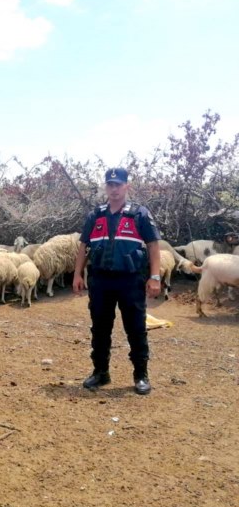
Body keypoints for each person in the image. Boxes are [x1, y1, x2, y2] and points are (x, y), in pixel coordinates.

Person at [73, 167, 161, 395]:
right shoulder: (96, 215)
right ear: (106, 187)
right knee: (100, 328)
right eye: (110, 184)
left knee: (135, 328)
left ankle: (141, 375)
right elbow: (83, 246)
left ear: (126, 186)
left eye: (118, 185)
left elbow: (153, 246)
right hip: (100, 281)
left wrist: (155, 276)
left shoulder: (140, 214)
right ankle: (100, 372)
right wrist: (77, 274)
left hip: (130, 280)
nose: (114, 189)